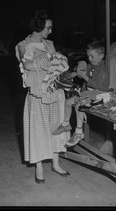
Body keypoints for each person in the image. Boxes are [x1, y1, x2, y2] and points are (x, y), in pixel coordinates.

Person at [15, 10, 71, 184]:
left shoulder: (49, 44)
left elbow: (55, 63)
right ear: (39, 27)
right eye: (48, 27)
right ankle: (39, 168)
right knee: (38, 130)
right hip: (37, 93)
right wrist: (44, 61)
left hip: (53, 91)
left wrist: (57, 61)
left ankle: (55, 162)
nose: (50, 31)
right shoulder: (23, 44)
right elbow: (27, 64)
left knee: (55, 125)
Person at [53, 41, 109, 147]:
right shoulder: (91, 66)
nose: (90, 59)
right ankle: (65, 124)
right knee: (68, 102)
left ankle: (79, 132)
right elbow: (81, 73)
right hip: (88, 94)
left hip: (100, 95)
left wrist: (83, 76)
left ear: (101, 56)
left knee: (79, 106)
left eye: (92, 56)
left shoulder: (103, 70)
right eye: (88, 56)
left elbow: (96, 85)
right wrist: (77, 71)